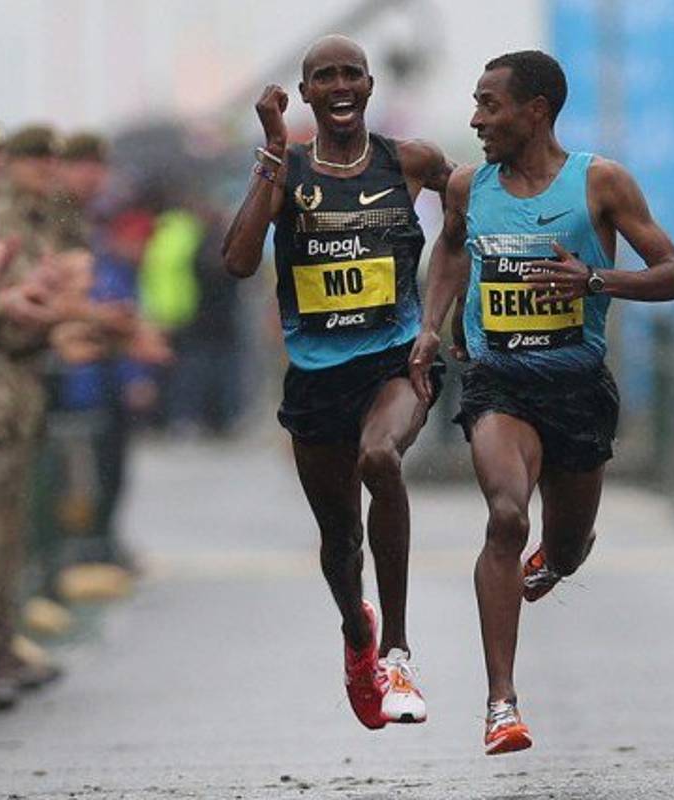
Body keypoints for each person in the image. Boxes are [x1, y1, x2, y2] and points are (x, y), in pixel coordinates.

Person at [409, 50, 674, 755]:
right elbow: (448, 250)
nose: (476, 121)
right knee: (505, 518)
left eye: (490, 106)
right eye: (473, 104)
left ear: (536, 111)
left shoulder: (600, 182)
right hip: (500, 383)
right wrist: (433, 324)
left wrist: (594, 280)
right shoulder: (470, 188)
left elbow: (673, 274)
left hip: (577, 389)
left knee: (563, 545)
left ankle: (558, 558)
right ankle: (501, 703)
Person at [222, 34, 454, 729]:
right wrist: (269, 149)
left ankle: (398, 651)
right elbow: (236, 261)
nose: (341, 86)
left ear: (370, 85)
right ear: (307, 91)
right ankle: (358, 634)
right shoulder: (286, 169)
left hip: (396, 362)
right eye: (325, 77)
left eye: (352, 73)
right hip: (318, 374)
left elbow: (475, 201)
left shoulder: (408, 160)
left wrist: (438, 313)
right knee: (338, 542)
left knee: (381, 459)